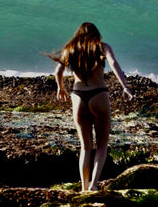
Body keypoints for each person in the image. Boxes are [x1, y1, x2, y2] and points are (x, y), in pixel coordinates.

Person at [49, 22, 133, 191]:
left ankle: (83, 187)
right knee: (102, 145)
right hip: (99, 94)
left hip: (78, 96)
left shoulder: (70, 49)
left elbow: (57, 72)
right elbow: (114, 64)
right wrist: (125, 87)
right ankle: (94, 184)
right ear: (97, 34)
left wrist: (61, 88)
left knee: (86, 147)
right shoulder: (102, 47)